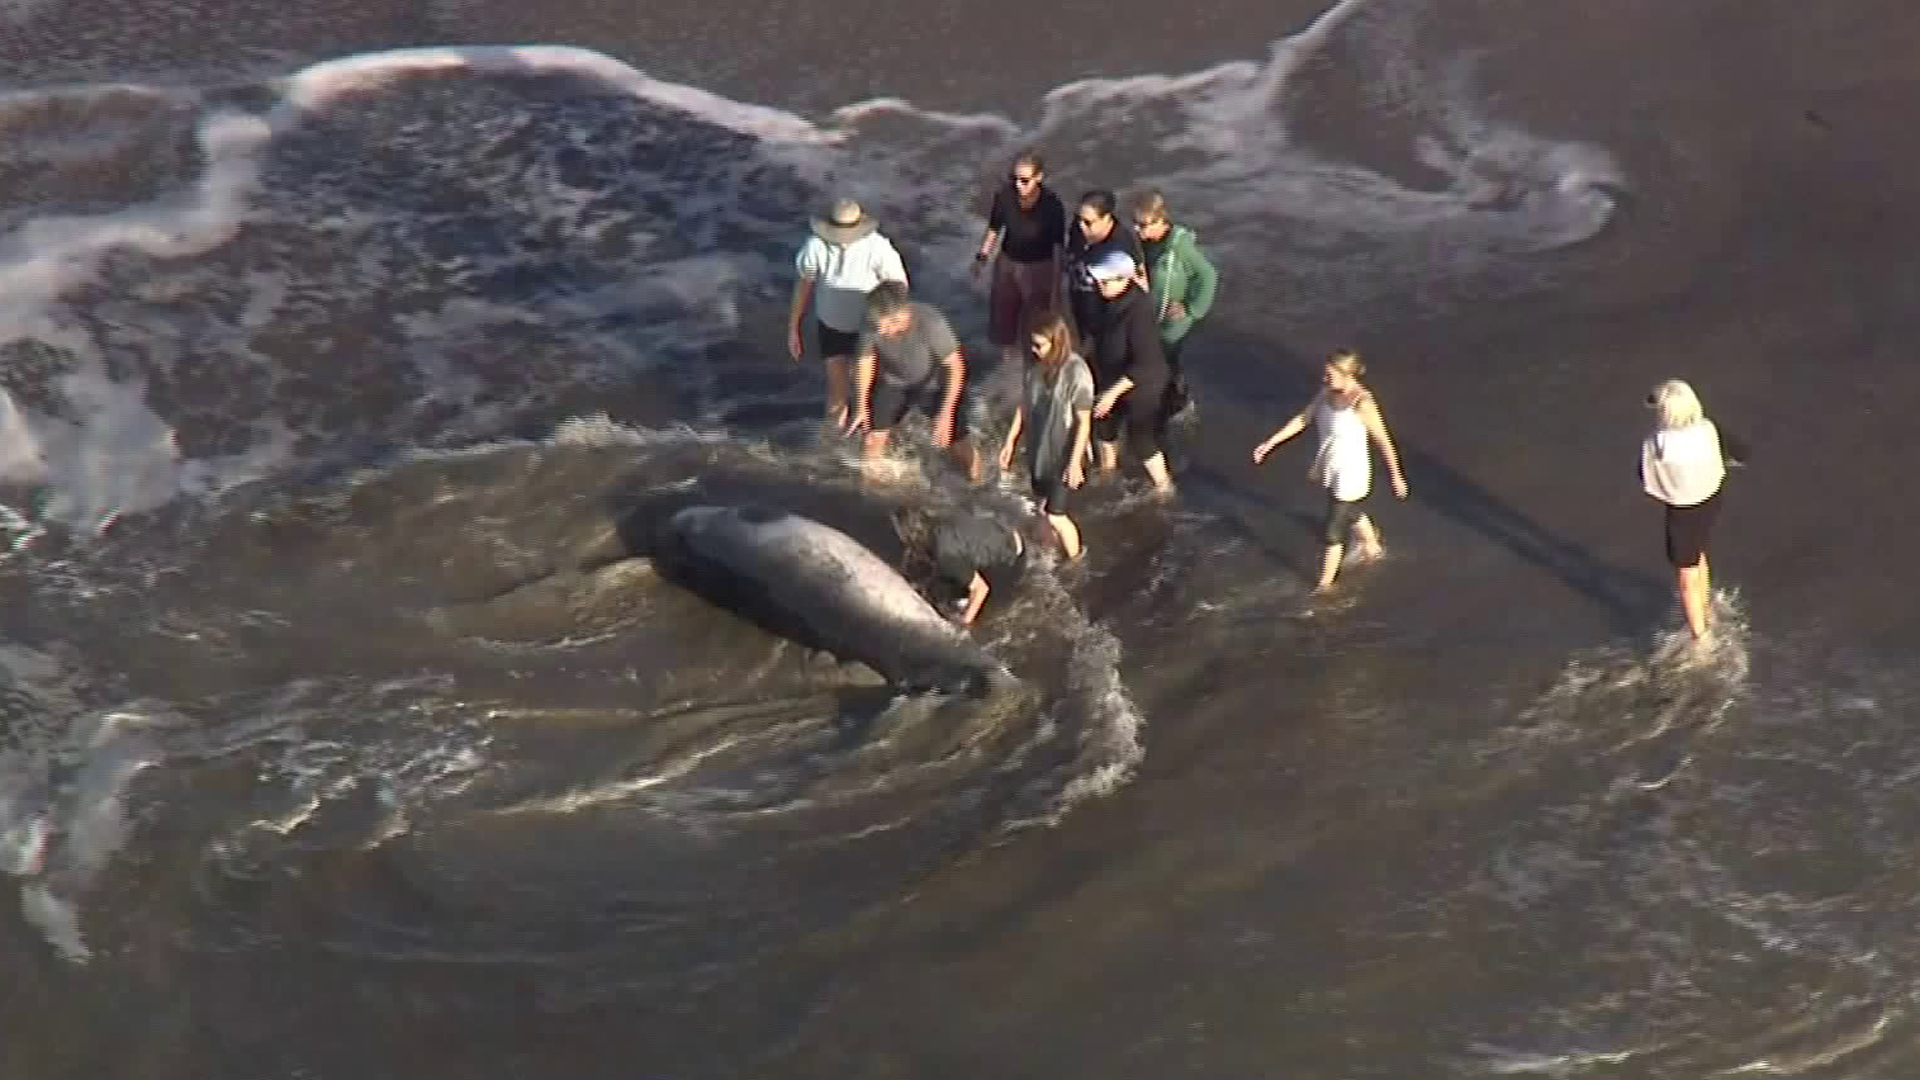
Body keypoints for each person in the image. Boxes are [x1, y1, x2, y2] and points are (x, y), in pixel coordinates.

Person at [1251, 350, 1409, 592]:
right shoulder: (1326, 394)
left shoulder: (1362, 404)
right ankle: (1371, 545)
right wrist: (1271, 443)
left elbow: (1384, 442)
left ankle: (1325, 586)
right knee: (1350, 511)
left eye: (1329, 375)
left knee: (1332, 530)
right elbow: (1303, 419)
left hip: (1352, 473)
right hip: (1331, 467)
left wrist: (1396, 476)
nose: (1323, 379)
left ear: (1348, 375)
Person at [1640, 378, 1747, 642]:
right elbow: (1741, 454)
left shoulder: (1658, 442)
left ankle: (1700, 637)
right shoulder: (1708, 429)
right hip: (1711, 499)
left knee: (1685, 573)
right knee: (1698, 550)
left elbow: (1644, 475)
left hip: (1682, 512)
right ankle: (1707, 607)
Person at [787, 198, 909, 426]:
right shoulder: (821, 245)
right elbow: (899, 289)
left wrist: (794, 328)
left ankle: (851, 441)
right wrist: (794, 327)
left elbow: (897, 289)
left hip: (863, 329)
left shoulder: (873, 246)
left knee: (855, 393)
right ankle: (849, 444)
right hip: (844, 327)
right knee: (848, 393)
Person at [845, 281, 982, 480]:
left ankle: (976, 486)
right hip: (893, 383)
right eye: (876, 326)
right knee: (871, 440)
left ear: (901, 317)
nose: (878, 332)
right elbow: (865, 360)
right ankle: (872, 495)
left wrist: (945, 415)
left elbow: (955, 366)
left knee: (957, 443)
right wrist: (861, 404)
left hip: (935, 384)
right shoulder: (872, 321)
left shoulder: (931, 323)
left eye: (883, 327)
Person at [997, 308, 1094, 558]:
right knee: (1042, 507)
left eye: (1039, 345)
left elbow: (1084, 422)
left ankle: (1076, 561)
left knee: (1056, 514)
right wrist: (1010, 441)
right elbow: (1025, 404)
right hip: (1040, 449)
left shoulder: (1076, 372)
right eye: (1031, 344)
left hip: (1066, 453)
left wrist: (1074, 463)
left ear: (1057, 341)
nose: (1033, 350)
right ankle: (1046, 554)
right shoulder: (1034, 366)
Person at [1084, 251, 1176, 494]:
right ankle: (1107, 473)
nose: (1098, 285)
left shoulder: (1139, 311)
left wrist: (1112, 394)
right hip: (1112, 374)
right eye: (1098, 280)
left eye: (1104, 281)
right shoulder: (1106, 300)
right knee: (1104, 425)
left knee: (1141, 439)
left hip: (1144, 383)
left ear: (1124, 279)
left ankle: (1164, 487)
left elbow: (1145, 363)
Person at [1129, 189, 1219, 419]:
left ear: (1161, 220)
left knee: (1164, 360)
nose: (1138, 230)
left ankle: (1175, 403)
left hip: (1173, 320)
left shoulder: (1180, 248)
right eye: (1135, 224)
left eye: (1144, 225)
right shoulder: (1147, 243)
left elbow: (1208, 275)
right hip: (1153, 312)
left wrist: (1192, 308)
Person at [973, 149, 1067, 368]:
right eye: (1014, 179)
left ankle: (1033, 362)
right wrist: (982, 258)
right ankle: (1005, 360)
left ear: (1039, 178)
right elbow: (995, 228)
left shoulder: (1052, 206)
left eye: (1025, 180)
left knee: (1034, 319)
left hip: (1039, 266)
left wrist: (1056, 285)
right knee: (1002, 313)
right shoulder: (1004, 197)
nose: (1018, 185)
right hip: (1008, 262)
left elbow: (1058, 247)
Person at [1063, 189, 1144, 345]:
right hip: (1079, 302)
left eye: (1088, 222)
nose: (1081, 226)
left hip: (1106, 319)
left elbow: (1136, 285)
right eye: (1078, 219)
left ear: (1106, 218)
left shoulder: (1121, 245)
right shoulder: (1078, 229)